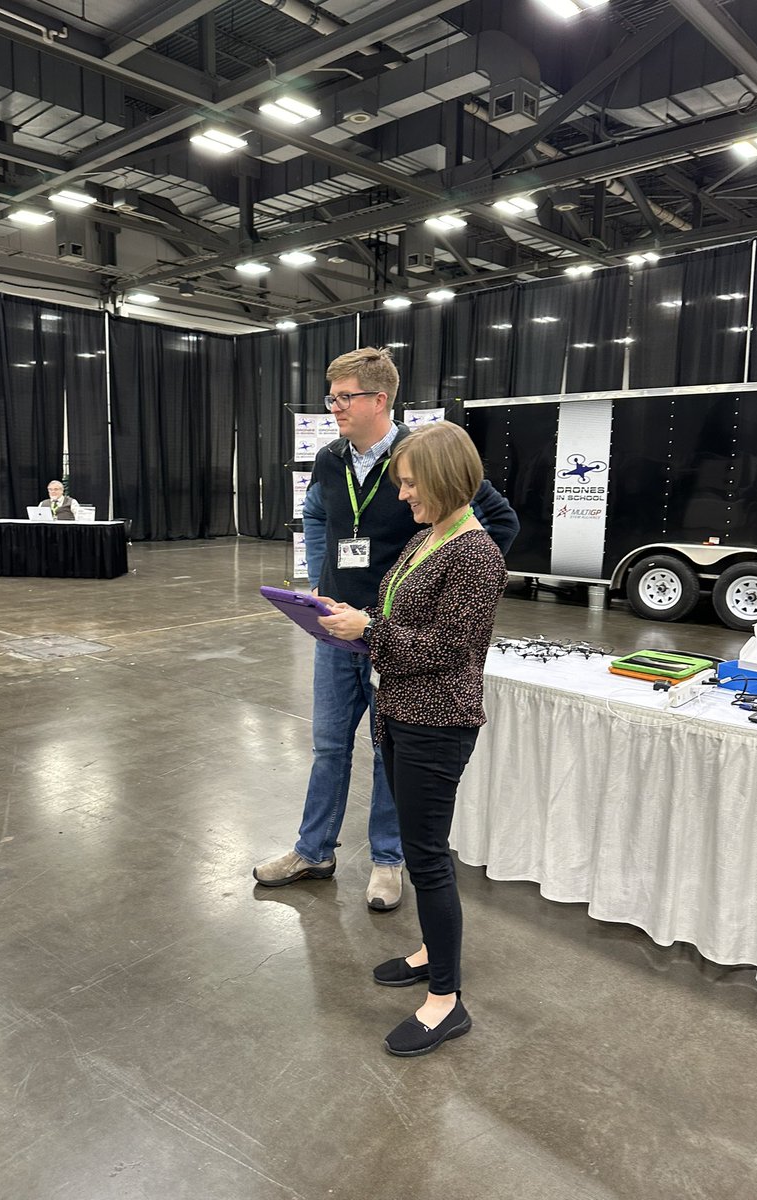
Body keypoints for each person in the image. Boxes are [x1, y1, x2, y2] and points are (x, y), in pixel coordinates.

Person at [253, 347, 518, 912]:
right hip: (335, 630)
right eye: (332, 397)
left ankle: (387, 860)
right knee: (329, 746)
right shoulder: (329, 458)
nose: (334, 408)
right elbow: (320, 515)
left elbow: (497, 519)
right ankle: (313, 850)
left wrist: (450, 576)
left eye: (344, 397)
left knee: (387, 751)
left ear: (380, 399)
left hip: (394, 641)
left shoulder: (421, 456)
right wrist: (327, 574)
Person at [316, 421, 508, 1056]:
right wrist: (353, 620)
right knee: (425, 851)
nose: (402, 496)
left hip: (437, 722)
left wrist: (366, 629)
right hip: (402, 713)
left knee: (426, 856)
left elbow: (448, 652)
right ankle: (431, 951)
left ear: (446, 480)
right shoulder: (430, 539)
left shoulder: (475, 556)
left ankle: (446, 1001)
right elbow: (399, 617)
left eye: (409, 483)